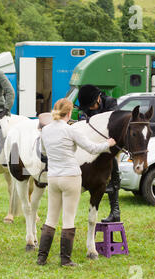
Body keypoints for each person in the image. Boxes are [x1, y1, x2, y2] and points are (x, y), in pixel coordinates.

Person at [38, 98, 116, 267]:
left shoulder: (45, 130)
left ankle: (41, 257)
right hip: (71, 176)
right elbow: (92, 148)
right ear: (69, 112)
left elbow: (43, 151)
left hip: (53, 177)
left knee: (51, 217)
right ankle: (65, 259)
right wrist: (108, 143)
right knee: (68, 218)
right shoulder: (71, 130)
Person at [77, 84, 121, 223]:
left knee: (111, 163)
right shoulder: (88, 107)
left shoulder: (111, 104)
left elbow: (113, 127)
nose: (89, 109)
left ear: (98, 99)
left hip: (110, 145)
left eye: (91, 107)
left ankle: (115, 210)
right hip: (93, 145)